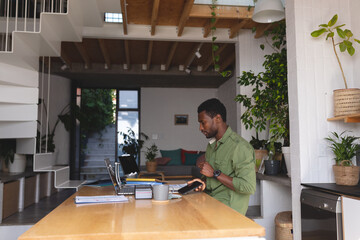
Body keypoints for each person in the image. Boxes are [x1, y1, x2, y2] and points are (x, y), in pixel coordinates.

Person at [189, 98, 256, 215]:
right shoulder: (211, 145)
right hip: (210, 204)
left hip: (228, 213)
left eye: (203, 122)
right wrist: (202, 182)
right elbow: (211, 178)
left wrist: (215, 173)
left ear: (218, 119)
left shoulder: (239, 147)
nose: (200, 128)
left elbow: (248, 187)